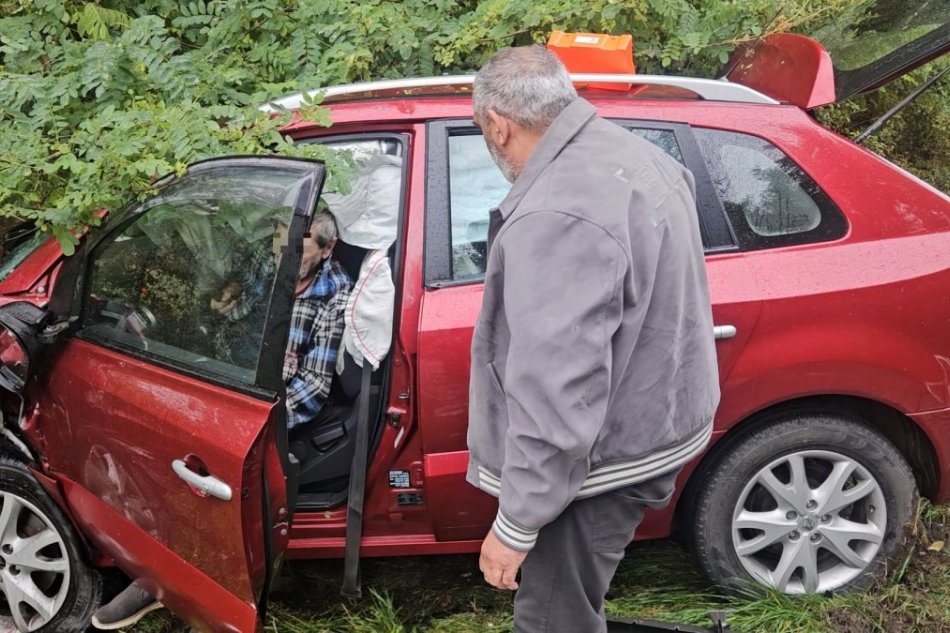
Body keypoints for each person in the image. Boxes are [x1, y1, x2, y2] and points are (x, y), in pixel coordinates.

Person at [467, 46, 720, 633]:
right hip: (653, 425)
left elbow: (557, 389)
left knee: (553, 616)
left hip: (597, 463)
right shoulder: (632, 154)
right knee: (573, 601)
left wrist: (515, 524)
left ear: (498, 126)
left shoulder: (558, 215)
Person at [91, 210, 352, 630]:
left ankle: (161, 584)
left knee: (196, 477)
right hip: (228, 375)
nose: (281, 249)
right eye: (278, 237)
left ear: (327, 249)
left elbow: (314, 387)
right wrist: (219, 311)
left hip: (262, 408)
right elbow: (240, 316)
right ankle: (155, 570)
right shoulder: (273, 268)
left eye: (298, 241)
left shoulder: (334, 296)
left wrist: (250, 429)